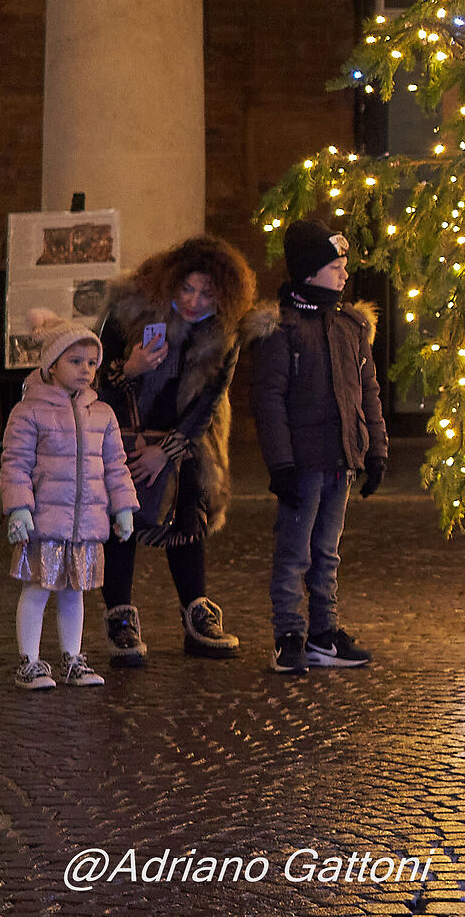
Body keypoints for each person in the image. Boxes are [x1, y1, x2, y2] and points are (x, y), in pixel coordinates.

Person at [96, 234, 257, 667]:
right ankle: (120, 617)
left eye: (206, 292)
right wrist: (130, 369)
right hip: (124, 434)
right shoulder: (132, 310)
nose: (194, 300)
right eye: (188, 288)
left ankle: (195, 613)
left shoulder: (223, 331)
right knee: (122, 523)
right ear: (172, 283)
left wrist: (166, 451)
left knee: (189, 523)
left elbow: (208, 401)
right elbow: (95, 379)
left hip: (186, 441)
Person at [249, 219, 388, 674]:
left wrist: (376, 450)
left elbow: (368, 393)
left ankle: (324, 634)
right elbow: (269, 403)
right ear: (310, 272)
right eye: (335, 266)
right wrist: (282, 465)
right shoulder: (284, 331)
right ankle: (289, 634)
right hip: (304, 463)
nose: (345, 275)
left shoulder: (350, 327)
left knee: (327, 551)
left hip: (340, 460)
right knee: (294, 551)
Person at [0, 310, 138, 689]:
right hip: (45, 522)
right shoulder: (29, 412)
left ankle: (72, 657)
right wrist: (19, 508)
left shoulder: (103, 414)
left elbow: (116, 465)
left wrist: (123, 506)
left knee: (74, 591)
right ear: (52, 364)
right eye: (75, 361)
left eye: (92, 362)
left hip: (85, 524)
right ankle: (29, 660)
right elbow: (15, 463)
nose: (86, 370)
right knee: (38, 588)